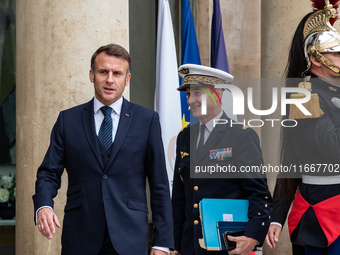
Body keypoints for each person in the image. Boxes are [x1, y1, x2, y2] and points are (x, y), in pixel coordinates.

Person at [32, 43, 174, 255]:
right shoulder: (67, 120)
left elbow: (159, 184)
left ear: (127, 79)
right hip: (80, 236)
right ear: (92, 75)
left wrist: (162, 243)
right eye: (103, 72)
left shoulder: (147, 120)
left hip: (130, 238)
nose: (109, 79)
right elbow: (48, 173)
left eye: (117, 73)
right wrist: (44, 205)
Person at [171, 64, 273, 255]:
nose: (190, 100)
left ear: (217, 93)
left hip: (228, 246)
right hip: (189, 246)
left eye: (197, 93)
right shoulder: (185, 136)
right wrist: (174, 244)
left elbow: (259, 194)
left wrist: (253, 237)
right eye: (187, 94)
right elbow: (178, 198)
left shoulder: (241, 136)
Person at [266, 1, 340, 254]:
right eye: (336, 53)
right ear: (315, 59)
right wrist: (277, 215)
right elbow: (332, 149)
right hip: (324, 209)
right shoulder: (303, 97)